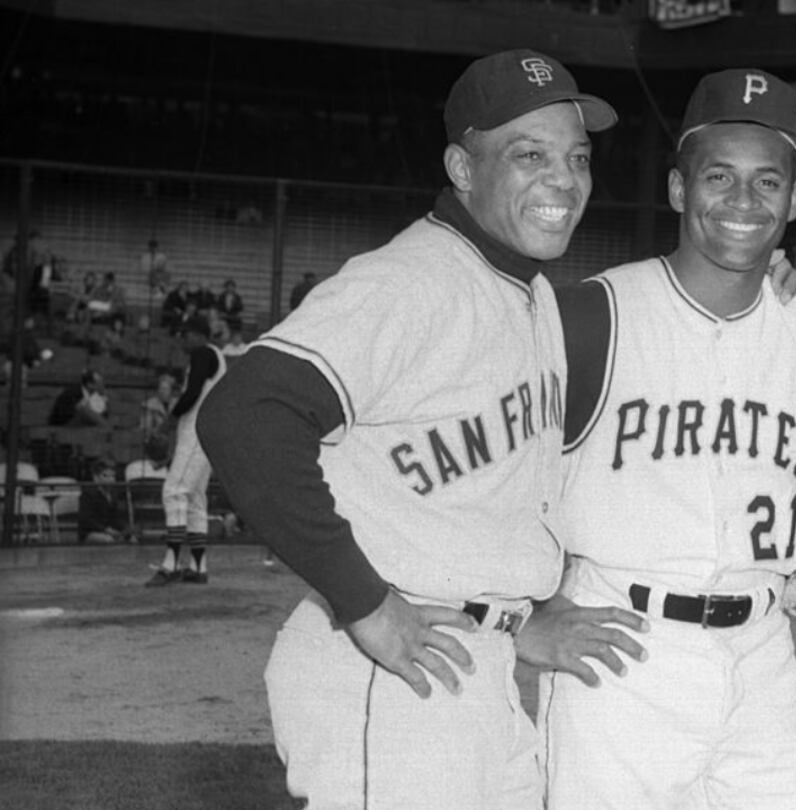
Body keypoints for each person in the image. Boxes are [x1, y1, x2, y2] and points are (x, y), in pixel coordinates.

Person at [195, 50, 653, 809]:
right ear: (462, 168)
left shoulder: (527, 292)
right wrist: (364, 603)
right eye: (530, 156)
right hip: (391, 672)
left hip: (474, 667)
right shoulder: (410, 280)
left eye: (577, 157)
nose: (565, 180)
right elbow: (244, 414)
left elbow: (471, 501)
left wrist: (518, 620)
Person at [537, 66, 796, 810]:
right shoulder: (592, 317)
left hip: (761, 657)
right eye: (719, 176)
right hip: (621, 653)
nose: (744, 201)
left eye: (767, 181)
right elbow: (502, 466)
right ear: (680, 189)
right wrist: (530, 610)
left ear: (793, 199)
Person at [146, 321, 228, 587]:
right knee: (195, 498)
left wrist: (168, 422)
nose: (182, 339)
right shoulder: (216, 356)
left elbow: (192, 393)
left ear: (198, 335)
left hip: (196, 432)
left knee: (174, 491)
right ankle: (197, 567)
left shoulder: (203, 352)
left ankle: (170, 565)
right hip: (208, 433)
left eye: (185, 334)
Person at [78, 457, 131, 544]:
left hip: (110, 531)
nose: (111, 479)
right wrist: (106, 530)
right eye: (105, 476)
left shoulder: (114, 494)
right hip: (90, 533)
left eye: (113, 476)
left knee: (131, 539)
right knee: (108, 540)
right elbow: (87, 520)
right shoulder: (88, 495)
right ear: (95, 477)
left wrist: (125, 529)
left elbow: (115, 517)